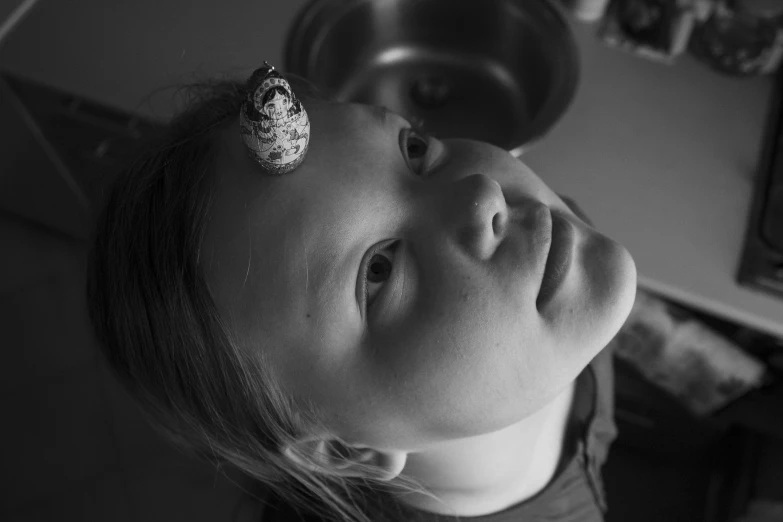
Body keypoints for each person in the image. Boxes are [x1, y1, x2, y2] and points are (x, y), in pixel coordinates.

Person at [86, 68, 637, 522]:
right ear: (351, 451)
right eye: (378, 269)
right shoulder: (541, 279)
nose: (480, 194)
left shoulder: (554, 254)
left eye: (414, 149)